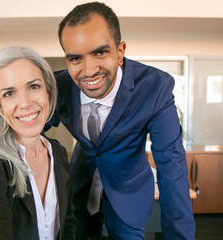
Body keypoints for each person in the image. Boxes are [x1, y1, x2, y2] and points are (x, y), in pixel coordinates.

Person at [44, 2, 195, 239]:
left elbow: (171, 168)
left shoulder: (155, 88)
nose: (89, 70)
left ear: (120, 51)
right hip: (79, 188)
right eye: (75, 58)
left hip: (129, 192)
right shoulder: (58, 87)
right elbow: (29, 128)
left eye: (100, 52)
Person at [0, 45, 76, 240]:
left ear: (48, 90)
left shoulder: (58, 151)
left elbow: (68, 219)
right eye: (9, 93)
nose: (25, 103)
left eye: (34, 86)